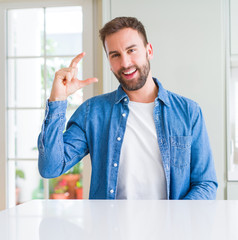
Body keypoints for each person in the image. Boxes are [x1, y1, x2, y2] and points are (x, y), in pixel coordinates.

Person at [38, 17, 217, 200]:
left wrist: (175, 219)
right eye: (115, 55)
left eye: (131, 50)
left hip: (170, 227)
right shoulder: (92, 113)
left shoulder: (188, 112)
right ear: (109, 62)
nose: (125, 63)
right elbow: (50, 167)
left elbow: (205, 184)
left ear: (149, 51)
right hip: (111, 227)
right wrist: (57, 100)